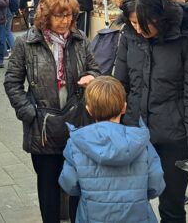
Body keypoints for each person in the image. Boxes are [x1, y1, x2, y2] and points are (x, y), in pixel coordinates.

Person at [114, 0, 188, 223]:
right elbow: (120, 86)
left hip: (175, 139)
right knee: (131, 206)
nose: (139, 29)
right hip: (134, 135)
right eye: (133, 23)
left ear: (161, 16)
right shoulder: (129, 35)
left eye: (143, 23)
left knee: (172, 207)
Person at [4, 0, 101, 223]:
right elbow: (12, 82)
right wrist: (30, 113)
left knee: (78, 186)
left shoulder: (80, 40)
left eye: (69, 15)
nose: (65, 21)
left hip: (77, 123)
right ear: (45, 16)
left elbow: (95, 69)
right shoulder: (26, 43)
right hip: (43, 126)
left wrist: (91, 77)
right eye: (59, 15)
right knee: (48, 188)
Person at [59, 76, 165, 223]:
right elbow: (155, 185)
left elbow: (69, 184)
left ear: (88, 110)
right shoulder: (142, 142)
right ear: (124, 107)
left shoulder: (76, 143)